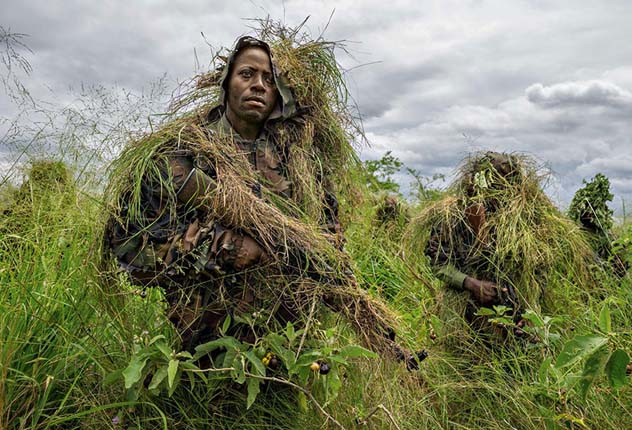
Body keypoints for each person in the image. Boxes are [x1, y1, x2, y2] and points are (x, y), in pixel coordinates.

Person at [104, 35, 410, 364]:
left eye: (269, 79)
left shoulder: (301, 162)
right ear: (226, 84)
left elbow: (328, 240)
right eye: (247, 74)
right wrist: (223, 248)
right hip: (204, 347)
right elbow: (127, 245)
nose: (259, 85)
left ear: (279, 95)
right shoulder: (182, 152)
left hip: (288, 345)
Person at [411, 152, 597, 348]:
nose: (500, 192)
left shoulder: (529, 220)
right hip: (468, 312)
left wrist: (530, 312)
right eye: (494, 184)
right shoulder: (451, 218)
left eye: (506, 184)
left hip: (518, 312)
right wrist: (471, 283)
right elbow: (440, 265)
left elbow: (539, 272)